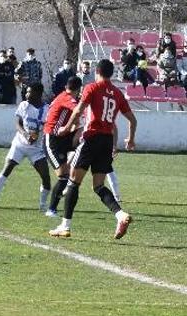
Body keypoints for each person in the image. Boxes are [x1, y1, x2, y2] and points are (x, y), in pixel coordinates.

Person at [49, 59, 136, 240]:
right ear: (111, 74)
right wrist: (130, 140)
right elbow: (133, 120)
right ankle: (120, 215)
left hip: (91, 138)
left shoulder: (92, 88)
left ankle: (65, 226)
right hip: (107, 141)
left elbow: (79, 110)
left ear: (97, 72)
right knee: (98, 186)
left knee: (73, 182)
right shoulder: (118, 94)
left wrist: (66, 128)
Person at [0, 82, 52, 212]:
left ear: (38, 94)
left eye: (29, 92)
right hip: (20, 144)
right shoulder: (24, 105)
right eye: (26, 91)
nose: (26, 94)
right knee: (7, 169)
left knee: (46, 177)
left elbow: (47, 128)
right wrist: (26, 135)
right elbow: (18, 124)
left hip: (36, 149)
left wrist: (37, 136)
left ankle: (43, 206)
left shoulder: (47, 110)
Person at [42, 77, 84, 217]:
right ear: (78, 89)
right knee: (63, 176)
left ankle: (68, 183)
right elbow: (78, 110)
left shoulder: (64, 96)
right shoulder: (67, 98)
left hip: (63, 137)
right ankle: (51, 209)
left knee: (84, 139)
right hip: (52, 139)